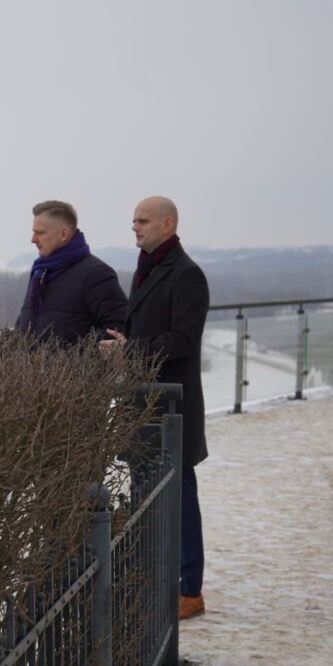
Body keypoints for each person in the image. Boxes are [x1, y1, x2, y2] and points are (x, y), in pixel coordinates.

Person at [99, 195, 209, 621]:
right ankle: (155, 580)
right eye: (134, 221)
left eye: (142, 221)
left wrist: (130, 350)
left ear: (168, 224)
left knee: (179, 498)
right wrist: (121, 345)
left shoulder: (187, 274)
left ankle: (190, 590)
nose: (135, 227)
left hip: (171, 406)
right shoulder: (147, 269)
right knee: (146, 496)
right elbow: (147, 329)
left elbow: (184, 339)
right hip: (144, 402)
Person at [15, 200, 127, 346]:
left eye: (40, 233)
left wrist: (73, 354)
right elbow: (28, 319)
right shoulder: (40, 272)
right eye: (33, 232)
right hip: (29, 361)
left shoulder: (96, 274)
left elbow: (117, 327)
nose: (33, 239)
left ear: (63, 234)